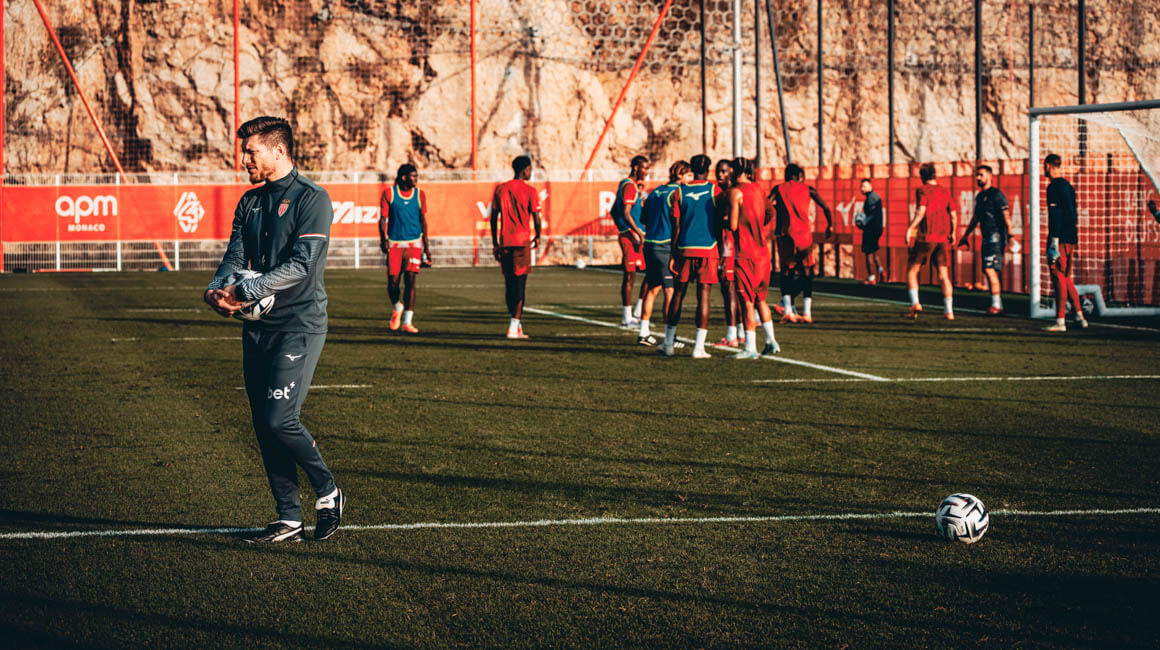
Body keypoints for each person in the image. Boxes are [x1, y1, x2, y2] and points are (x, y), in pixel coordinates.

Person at [203, 116, 344, 543]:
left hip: (299, 324)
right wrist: (216, 290)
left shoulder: (312, 198)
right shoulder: (249, 202)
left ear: (278, 151)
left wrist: (247, 290)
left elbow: (302, 265)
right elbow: (235, 257)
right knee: (264, 425)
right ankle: (288, 518)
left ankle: (328, 491)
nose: (244, 159)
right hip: (258, 327)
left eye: (251, 152)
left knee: (281, 419)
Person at [663, 154, 720, 358]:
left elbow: (676, 227)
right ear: (709, 169)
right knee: (703, 296)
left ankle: (668, 344)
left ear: (692, 170)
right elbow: (720, 222)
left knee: (678, 294)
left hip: (685, 248)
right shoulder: (715, 190)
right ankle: (699, 348)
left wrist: (673, 254)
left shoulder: (679, 192)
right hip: (708, 248)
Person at [726, 158, 780, 359]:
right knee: (760, 300)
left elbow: (732, 225)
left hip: (745, 254)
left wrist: (723, 219)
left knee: (747, 302)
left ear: (735, 171)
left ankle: (750, 347)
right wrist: (756, 224)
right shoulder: (758, 189)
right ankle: (771, 340)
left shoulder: (735, 192)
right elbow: (770, 212)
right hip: (763, 254)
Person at [769, 163, 833, 323]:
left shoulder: (779, 189)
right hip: (804, 236)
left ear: (786, 176)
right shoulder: (808, 189)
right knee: (807, 272)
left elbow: (766, 206)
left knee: (786, 272)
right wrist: (830, 225)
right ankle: (807, 313)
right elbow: (826, 207)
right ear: (799, 176)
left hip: (785, 236)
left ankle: (787, 311)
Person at [638, 160, 690, 346]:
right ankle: (670, 336)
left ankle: (643, 333)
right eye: (689, 175)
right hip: (665, 245)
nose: (690, 179)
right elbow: (679, 222)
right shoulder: (678, 193)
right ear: (681, 175)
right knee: (670, 291)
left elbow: (643, 218)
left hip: (650, 244)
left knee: (652, 288)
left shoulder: (655, 192)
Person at [490, 155, 542, 339]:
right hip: (521, 242)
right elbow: (536, 217)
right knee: (520, 284)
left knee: (509, 284)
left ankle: (516, 325)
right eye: (530, 169)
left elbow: (493, 217)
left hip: (505, 241)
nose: (531, 172)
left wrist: (495, 243)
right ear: (525, 170)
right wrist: (538, 235)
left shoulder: (500, 189)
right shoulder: (530, 191)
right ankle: (513, 326)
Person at [957, 165, 1017, 315]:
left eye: (981, 175)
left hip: (995, 237)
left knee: (990, 269)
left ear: (990, 176)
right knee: (987, 269)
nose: (978, 178)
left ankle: (997, 305)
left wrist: (1010, 235)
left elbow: (1006, 216)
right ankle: (997, 304)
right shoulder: (980, 196)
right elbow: (976, 217)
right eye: (977, 175)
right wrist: (966, 235)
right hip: (986, 237)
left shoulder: (996, 195)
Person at [378, 163, 431, 334]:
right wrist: (383, 240)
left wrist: (427, 248)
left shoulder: (420, 194)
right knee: (393, 283)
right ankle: (397, 307)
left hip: (414, 244)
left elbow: (423, 220)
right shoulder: (389, 193)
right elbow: (383, 219)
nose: (416, 179)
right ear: (403, 177)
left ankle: (407, 322)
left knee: (410, 281)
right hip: (395, 244)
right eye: (413, 176)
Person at [903, 163, 958, 320]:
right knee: (943, 275)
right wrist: (953, 232)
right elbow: (953, 215)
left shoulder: (922, 190)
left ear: (922, 177)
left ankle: (915, 304)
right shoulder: (945, 191)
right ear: (934, 175)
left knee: (912, 271)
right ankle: (949, 311)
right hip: (942, 239)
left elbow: (922, 210)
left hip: (926, 237)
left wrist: (910, 228)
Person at [1044, 153, 1088, 332]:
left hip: (1060, 237)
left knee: (1058, 276)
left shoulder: (1053, 187)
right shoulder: (1069, 186)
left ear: (1048, 166)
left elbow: (1056, 214)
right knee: (1066, 276)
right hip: (1071, 236)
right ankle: (1079, 316)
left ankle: (1060, 320)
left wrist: (1054, 241)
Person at [610, 155, 650, 327]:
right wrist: (635, 232)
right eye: (644, 168)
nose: (646, 172)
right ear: (636, 168)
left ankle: (638, 314)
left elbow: (613, 211)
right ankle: (627, 317)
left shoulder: (625, 184)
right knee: (630, 275)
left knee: (649, 274)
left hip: (634, 235)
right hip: (633, 238)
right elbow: (625, 213)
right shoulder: (629, 186)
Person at [714, 158, 742, 346]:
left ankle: (732, 336)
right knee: (733, 290)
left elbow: (731, 223)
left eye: (723, 171)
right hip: (729, 245)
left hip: (729, 246)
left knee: (729, 289)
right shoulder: (724, 193)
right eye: (718, 171)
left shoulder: (730, 194)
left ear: (731, 172)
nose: (720, 175)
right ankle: (740, 332)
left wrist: (724, 254)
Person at [858, 178, 886, 285]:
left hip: (871, 229)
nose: (862, 188)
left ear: (870, 186)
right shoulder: (873, 197)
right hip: (876, 228)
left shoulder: (871, 198)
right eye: (861, 186)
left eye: (864, 186)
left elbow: (872, 215)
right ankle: (882, 272)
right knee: (874, 252)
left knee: (868, 253)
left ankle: (871, 277)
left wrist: (863, 223)